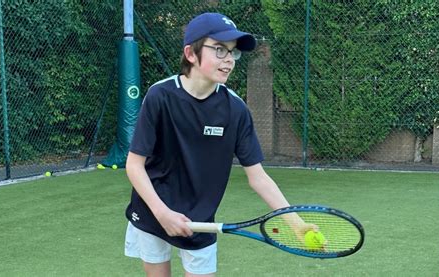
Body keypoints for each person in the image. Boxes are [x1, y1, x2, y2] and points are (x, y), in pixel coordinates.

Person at [124, 12, 315, 277]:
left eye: (232, 53)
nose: (229, 60)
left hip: (200, 221)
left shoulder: (235, 109)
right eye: (219, 50)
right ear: (191, 53)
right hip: (152, 211)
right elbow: (134, 165)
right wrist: (162, 213)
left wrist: (295, 222)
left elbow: (258, 177)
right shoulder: (160, 95)